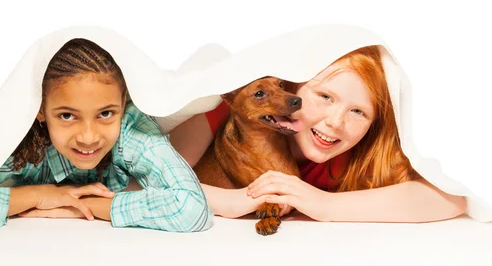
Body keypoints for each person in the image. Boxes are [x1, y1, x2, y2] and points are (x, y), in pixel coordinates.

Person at [0, 38, 212, 232]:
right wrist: (37, 195)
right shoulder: (19, 146)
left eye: (105, 114)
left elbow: (192, 209)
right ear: (40, 109)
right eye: (67, 116)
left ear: (124, 103)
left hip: (204, 132)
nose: (88, 137)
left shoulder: (131, 129)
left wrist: (85, 206)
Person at [169, 45, 466, 223]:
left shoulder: (351, 159)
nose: (335, 122)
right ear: (293, 88)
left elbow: (452, 198)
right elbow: (156, 178)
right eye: (325, 97)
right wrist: (232, 201)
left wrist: (324, 204)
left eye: (358, 112)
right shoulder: (236, 110)